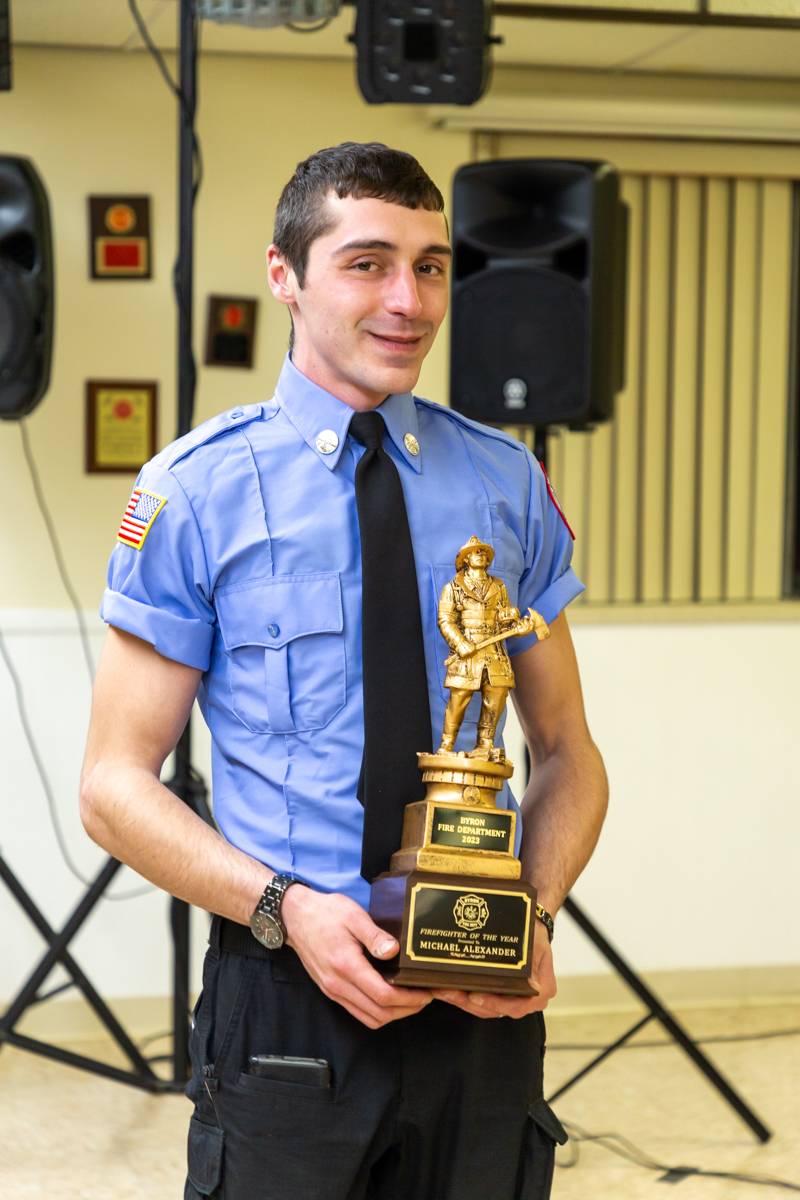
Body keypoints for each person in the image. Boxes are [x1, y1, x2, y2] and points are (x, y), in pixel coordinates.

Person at [80, 141, 608, 1200]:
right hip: (285, 990)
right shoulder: (194, 493)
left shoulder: (503, 484)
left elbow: (566, 751)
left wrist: (533, 916)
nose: (407, 300)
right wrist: (284, 909)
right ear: (286, 277)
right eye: (366, 263)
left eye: (428, 266)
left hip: (478, 998)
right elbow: (112, 786)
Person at [436, 534, 546, 757]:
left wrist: (519, 625)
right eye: (475, 552)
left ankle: (484, 745)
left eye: (483, 552)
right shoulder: (454, 587)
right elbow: (445, 619)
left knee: (495, 697)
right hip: (469, 649)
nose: (481, 555)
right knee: (459, 697)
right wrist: (460, 643)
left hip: (494, 650)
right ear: (465, 559)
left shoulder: (499, 586)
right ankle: (446, 745)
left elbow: (505, 620)